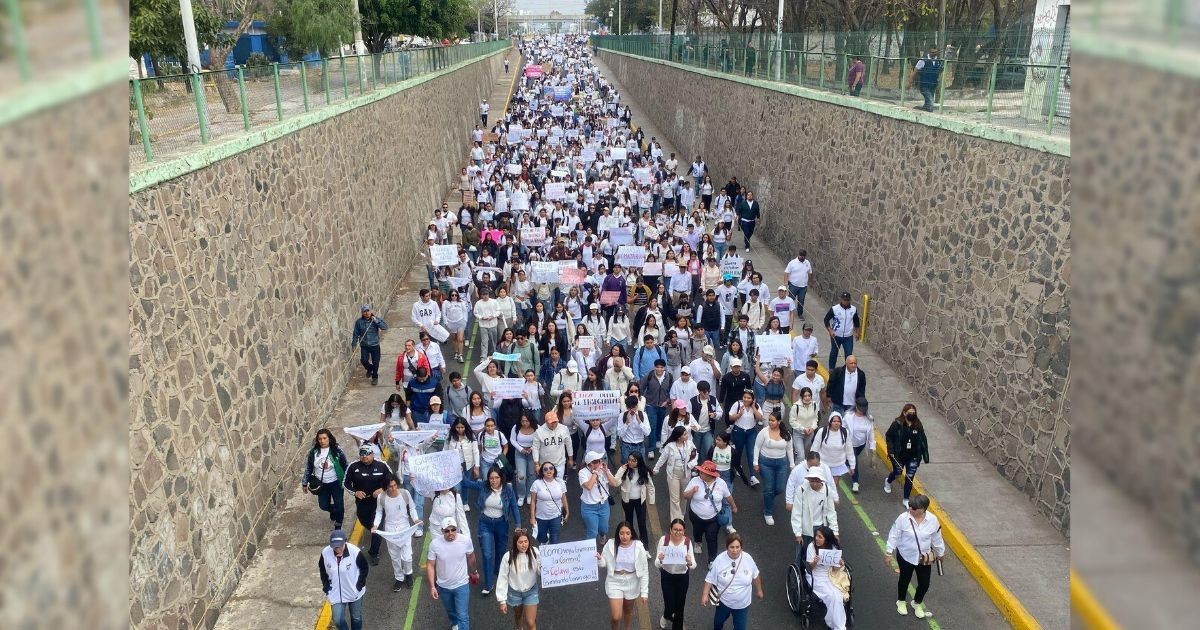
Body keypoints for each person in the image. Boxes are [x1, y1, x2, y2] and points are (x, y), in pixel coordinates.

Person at [885, 494, 945, 618]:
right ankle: (901, 601)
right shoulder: (903, 518)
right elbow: (893, 535)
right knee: (904, 579)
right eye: (910, 505)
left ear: (923, 509)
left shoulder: (933, 520)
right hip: (905, 556)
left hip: (923, 559)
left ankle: (917, 602)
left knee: (924, 583)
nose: (910, 508)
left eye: (913, 507)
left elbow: (937, 538)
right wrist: (888, 552)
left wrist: (940, 553)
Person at [701, 532, 763, 630]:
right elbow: (710, 578)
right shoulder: (719, 559)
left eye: (737, 547)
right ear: (727, 547)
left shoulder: (748, 558)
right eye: (732, 547)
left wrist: (759, 591)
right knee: (718, 622)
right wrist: (705, 595)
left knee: (740, 627)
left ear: (741, 547)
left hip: (742, 604)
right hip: (724, 602)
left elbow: (755, 575)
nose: (735, 550)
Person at [476, 468, 522, 596]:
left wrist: (518, 524)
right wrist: (458, 472)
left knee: (501, 552)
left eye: (496, 478)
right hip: (485, 524)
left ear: (501, 478)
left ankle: (498, 571)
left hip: (502, 524)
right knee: (487, 553)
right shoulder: (483, 486)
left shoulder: (508, 489)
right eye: (491, 478)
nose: (494, 481)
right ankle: (488, 584)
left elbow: (513, 506)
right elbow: (467, 483)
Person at [427, 516, 479, 630]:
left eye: (453, 529)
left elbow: (471, 557)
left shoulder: (465, 541)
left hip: (462, 585)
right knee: (451, 611)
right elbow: (430, 565)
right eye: (447, 530)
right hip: (443, 586)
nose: (450, 533)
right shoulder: (434, 544)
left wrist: (474, 571)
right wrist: (432, 586)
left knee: (463, 616)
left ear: (457, 529)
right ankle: (454, 624)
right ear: (442, 531)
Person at [343, 444, 392, 564]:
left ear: (372, 454)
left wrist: (382, 489)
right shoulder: (353, 467)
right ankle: (374, 531)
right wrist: (355, 492)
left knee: (376, 527)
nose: (364, 457)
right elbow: (345, 483)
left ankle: (374, 552)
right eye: (362, 454)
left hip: (378, 503)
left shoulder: (382, 465)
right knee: (366, 522)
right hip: (362, 503)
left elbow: (392, 480)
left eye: (367, 454)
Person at [597, 521, 651, 630]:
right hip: (614, 581)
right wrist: (599, 559)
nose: (624, 536)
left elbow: (644, 570)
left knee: (628, 611)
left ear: (631, 534)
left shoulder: (639, 546)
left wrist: (644, 592)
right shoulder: (610, 544)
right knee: (616, 616)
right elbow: (603, 563)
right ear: (618, 534)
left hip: (632, 582)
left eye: (627, 533)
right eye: (621, 533)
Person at [371, 475, 421, 590]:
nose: (393, 488)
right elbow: (379, 512)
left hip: (404, 528)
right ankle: (399, 578)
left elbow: (412, 508)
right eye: (390, 486)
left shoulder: (404, 493)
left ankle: (408, 574)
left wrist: (415, 519)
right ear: (386, 487)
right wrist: (375, 525)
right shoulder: (381, 498)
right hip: (390, 530)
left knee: (407, 556)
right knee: (395, 557)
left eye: (395, 485)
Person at [683, 460, 738, 561]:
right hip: (696, 515)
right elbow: (685, 496)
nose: (700, 473)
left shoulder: (721, 483)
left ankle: (712, 560)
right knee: (697, 531)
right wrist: (692, 491)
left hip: (713, 518)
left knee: (712, 538)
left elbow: (728, 496)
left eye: (703, 472)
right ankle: (698, 542)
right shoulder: (695, 480)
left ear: (709, 475)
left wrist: (734, 507)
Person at [319, 529, 369, 630]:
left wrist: (359, 586)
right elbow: (322, 570)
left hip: (354, 592)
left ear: (345, 542)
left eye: (340, 546)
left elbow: (364, 568)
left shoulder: (355, 552)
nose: (338, 549)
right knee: (337, 620)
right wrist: (326, 585)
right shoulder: (325, 553)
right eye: (335, 546)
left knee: (356, 617)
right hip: (336, 593)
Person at [752, 412, 794, 525]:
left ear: (779, 422)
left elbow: (789, 449)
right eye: (769, 420)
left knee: (780, 488)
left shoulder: (786, 433)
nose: (770, 422)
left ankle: (768, 498)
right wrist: (755, 463)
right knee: (769, 487)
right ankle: (768, 512)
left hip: (782, 463)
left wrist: (792, 464)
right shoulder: (764, 432)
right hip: (766, 463)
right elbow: (756, 447)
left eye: (773, 420)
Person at [655, 518, 697, 630]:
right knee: (669, 605)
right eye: (675, 529)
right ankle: (666, 615)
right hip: (667, 577)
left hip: (682, 578)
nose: (678, 532)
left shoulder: (687, 542)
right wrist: (660, 559)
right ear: (670, 529)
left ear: (684, 531)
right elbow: (657, 564)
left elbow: (693, 566)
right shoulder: (664, 540)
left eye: (680, 530)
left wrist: (689, 561)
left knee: (680, 607)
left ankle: (677, 625)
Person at [885, 403, 930, 506]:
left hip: (913, 457)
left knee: (910, 477)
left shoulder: (918, 425)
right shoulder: (897, 424)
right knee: (897, 473)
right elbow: (889, 436)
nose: (912, 414)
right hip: (899, 456)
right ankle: (888, 481)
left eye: (914, 412)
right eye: (910, 412)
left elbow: (923, 440)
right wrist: (890, 450)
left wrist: (925, 456)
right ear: (904, 413)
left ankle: (906, 498)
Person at [303, 428, 349, 530]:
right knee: (323, 505)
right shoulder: (313, 452)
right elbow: (309, 467)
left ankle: (338, 524)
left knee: (339, 504)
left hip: (336, 482)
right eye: (320, 439)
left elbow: (345, 465)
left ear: (329, 439)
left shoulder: (337, 450)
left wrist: (349, 479)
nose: (322, 441)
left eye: (324, 438)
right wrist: (304, 482)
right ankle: (333, 510)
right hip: (322, 484)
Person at [496, 528, 541, 630]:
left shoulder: (535, 552)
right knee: (518, 616)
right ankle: (518, 627)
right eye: (520, 542)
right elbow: (502, 578)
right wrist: (502, 600)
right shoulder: (508, 557)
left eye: (526, 541)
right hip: (514, 593)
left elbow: (539, 571)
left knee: (530, 621)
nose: (524, 545)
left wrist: (544, 569)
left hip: (531, 591)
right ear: (515, 543)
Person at [806, 525, 848, 630]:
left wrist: (840, 563)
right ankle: (838, 626)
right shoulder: (811, 547)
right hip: (815, 576)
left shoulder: (832, 548)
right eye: (816, 536)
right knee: (831, 596)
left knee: (838, 596)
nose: (816, 538)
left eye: (820, 537)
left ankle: (837, 625)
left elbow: (836, 567)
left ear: (826, 539)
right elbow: (810, 568)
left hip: (830, 575)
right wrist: (815, 562)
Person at [654, 425, 699, 522]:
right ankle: (676, 520)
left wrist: (691, 464)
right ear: (679, 437)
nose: (687, 435)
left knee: (684, 496)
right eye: (685, 434)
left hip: (686, 473)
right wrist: (656, 469)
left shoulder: (690, 444)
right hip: (673, 474)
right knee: (674, 499)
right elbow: (662, 459)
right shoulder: (670, 446)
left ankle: (681, 514)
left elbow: (696, 455)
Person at [580, 450, 620, 544]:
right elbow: (589, 486)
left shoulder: (603, 470)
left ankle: (602, 535)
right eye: (597, 461)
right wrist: (595, 473)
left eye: (600, 460)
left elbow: (614, 483)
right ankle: (590, 554)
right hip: (589, 507)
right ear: (590, 463)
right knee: (592, 532)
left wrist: (606, 471)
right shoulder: (583, 473)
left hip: (603, 505)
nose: (600, 462)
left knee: (604, 528)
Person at [445, 417, 482, 509]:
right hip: (454, 465)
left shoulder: (470, 435)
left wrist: (476, 467)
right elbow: (445, 449)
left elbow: (476, 451)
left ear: (465, 427)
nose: (460, 429)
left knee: (465, 484)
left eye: (462, 427)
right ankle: (458, 504)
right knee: (457, 487)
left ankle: (465, 502)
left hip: (467, 464)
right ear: (455, 427)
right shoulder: (450, 435)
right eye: (458, 427)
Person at [616, 452, 653, 543]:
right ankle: (631, 542)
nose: (630, 462)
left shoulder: (644, 471)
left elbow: (650, 486)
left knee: (642, 523)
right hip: (627, 501)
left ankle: (645, 547)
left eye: (634, 460)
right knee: (628, 523)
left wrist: (651, 501)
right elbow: (616, 482)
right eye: (629, 460)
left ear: (639, 461)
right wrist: (621, 469)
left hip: (640, 501)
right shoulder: (624, 470)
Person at [529, 462, 569, 544]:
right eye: (545, 469)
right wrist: (532, 518)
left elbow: (564, 498)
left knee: (555, 540)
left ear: (554, 470)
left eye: (551, 468)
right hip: (541, 517)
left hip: (556, 516)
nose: (549, 471)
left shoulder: (560, 482)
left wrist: (567, 511)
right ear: (542, 472)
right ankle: (545, 541)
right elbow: (533, 501)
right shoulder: (536, 483)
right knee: (542, 539)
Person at [844, 397, 876, 493]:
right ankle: (855, 482)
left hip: (861, 444)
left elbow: (871, 433)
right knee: (854, 461)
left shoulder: (869, 419)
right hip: (850, 443)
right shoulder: (848, 416)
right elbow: (842, 427)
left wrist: (872, 449)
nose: (862, 411)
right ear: (856, 407)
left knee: (849, 460)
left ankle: (845, 464)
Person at [813, 412, 855, 484]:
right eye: (834, 421)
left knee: (834, 488)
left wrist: (852, 466)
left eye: (838, 421)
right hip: (823, 465)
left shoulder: (845, 432)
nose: (836, 423)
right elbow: (814, 448)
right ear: (830, 422)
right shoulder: (822, 432)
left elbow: (849, 450)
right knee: (822, 486)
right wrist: (812, 464)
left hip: (838, 465)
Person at [352, 304, 388, 385]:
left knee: (376, 362)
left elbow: (385, 327)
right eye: (364, 311)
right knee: (364, 360)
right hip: (364, 346)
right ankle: (370, 368)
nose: (367, 313)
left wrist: (376, 321)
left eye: (368, 311)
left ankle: (374, 377)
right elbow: (355, 334)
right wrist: (354, 345)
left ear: (371, 311)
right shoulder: (359, 322)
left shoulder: (375, 319)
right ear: (362, 313)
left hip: (375, 345)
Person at [824, 292, 861, 370]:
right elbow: (826, 319)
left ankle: (848, 370)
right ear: (841, 299)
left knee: (848, 355)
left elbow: (856, 322)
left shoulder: (853, 309)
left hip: (848, 337)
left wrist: (857, 333)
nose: (846, 302)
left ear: (850, 300)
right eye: (844, 300)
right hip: (836, 335)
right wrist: (830, 330)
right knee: (834, 353)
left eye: (847, 300)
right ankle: (831, 369)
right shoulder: (834, 309)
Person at [532, 405, 574, 471]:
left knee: (559, 480)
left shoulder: (564, 429)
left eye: (555, 422)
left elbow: (569, 444)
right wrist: (536, 464)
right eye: (551, 422)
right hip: (545, 465)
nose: (553, 424)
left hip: (560, 463)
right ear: (546, 422)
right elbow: (535, 448)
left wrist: (570, 459)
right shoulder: (539, 431)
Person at [908, 47, 943, 112]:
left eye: (935, 52)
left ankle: (920, 110)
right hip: (924, 85)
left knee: (928, 103)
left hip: (933, 85)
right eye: (932, 52)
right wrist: (910, 83)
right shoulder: (923, 61)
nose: (934, 54)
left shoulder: (938, 61)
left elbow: (939, 71)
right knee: (930, 103)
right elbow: (915, 72)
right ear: (929, 52)